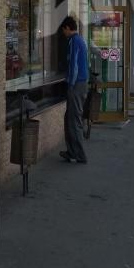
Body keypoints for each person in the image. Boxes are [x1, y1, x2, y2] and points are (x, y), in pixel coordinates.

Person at [59, 16, 89, 164]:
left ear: (67, 28)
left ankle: (79, 155)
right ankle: (71, 152)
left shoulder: (74, 41)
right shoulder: (81, 40)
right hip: (82, 83)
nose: (63, 33)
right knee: (70, 118)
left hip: (76, 85)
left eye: (63, 30)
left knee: (74, 120)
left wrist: (70, 84)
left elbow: (73, 66)